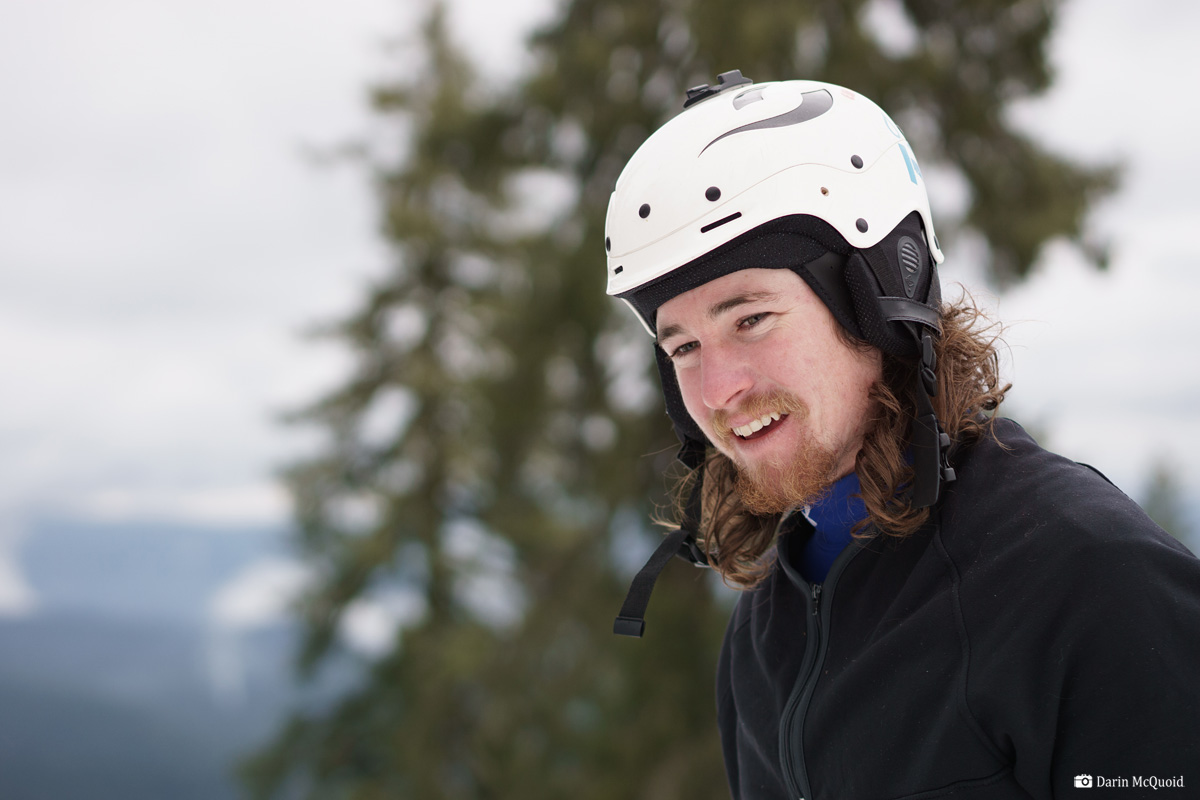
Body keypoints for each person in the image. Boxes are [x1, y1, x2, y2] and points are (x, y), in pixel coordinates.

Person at [603, 71, 1200, 799]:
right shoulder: (764, 637)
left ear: (879, 299)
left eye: (750, 319)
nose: (718, 389)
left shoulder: (1087, 579)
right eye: (683, 348)